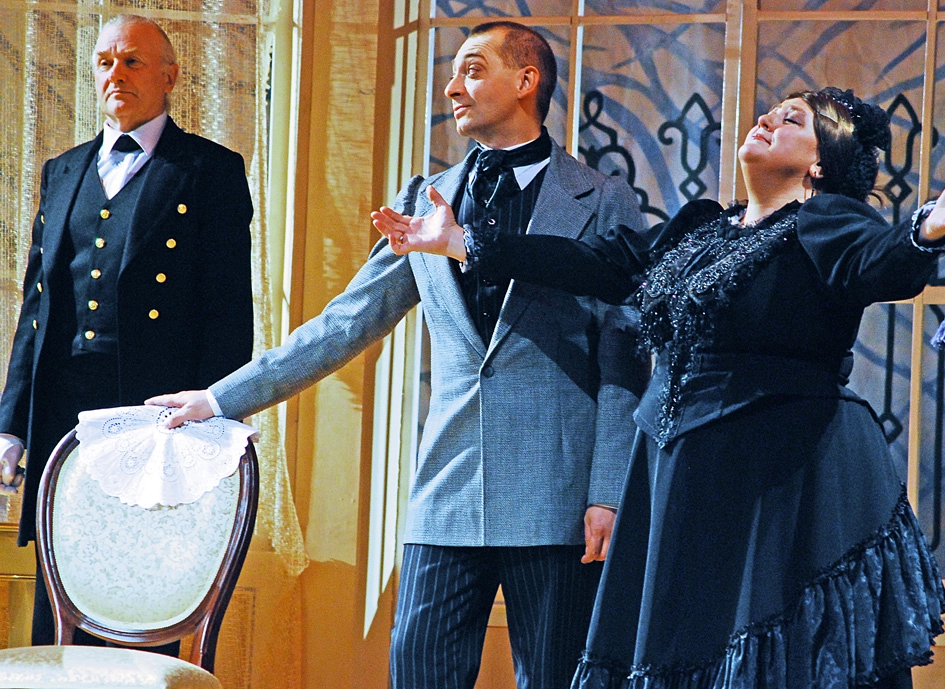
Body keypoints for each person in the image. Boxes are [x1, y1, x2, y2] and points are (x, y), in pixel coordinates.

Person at [372, 87, 945, 688]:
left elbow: (878, 262)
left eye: (792, 121)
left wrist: (925, 231)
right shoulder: (704, 228)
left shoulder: (826, 219)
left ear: (819, 165)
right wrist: (462, 242)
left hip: (771, 469)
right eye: (771, 112)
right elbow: (604, 267)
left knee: (764, 651)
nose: (768, 120)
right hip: (677, 472)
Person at [148, 20, 647, 689]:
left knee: (558, 676)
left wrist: (609, 490)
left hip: (558, 489)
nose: (452, 87)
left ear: (526, 81)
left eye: (473, 69)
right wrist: (219, 398)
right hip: (447, 487)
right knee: (417, 670)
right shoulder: (424, 200)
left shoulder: (602, 199)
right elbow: (344, 323)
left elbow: (624, 354)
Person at [0, 14, 254, 649]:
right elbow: (37, 307)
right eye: (105, 62)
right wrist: (11, 424)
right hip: (62, 414)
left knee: (145, 595)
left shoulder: (210, 170)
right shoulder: (63, 170)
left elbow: (228, 311)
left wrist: (214, 422)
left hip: (156, 417)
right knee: (61, 600)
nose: (117, 73)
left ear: (170, 76)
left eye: (133, 61)